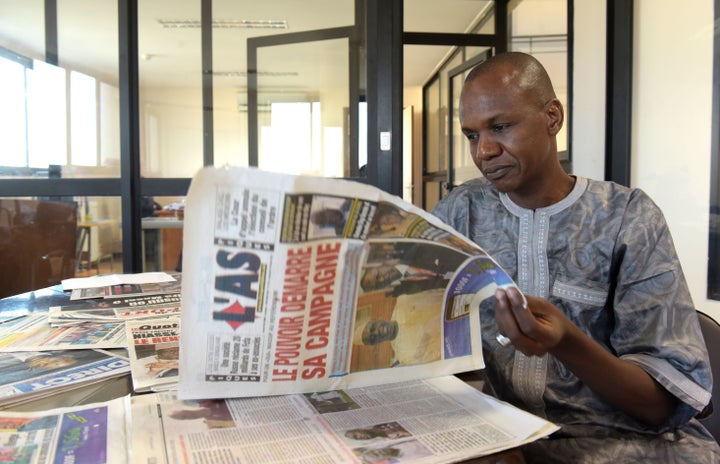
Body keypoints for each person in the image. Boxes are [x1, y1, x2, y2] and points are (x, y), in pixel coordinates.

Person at [430, 51, 720, 463]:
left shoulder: (627, 219)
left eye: (500, 126)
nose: (485, 151)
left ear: (552, 117)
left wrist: (566, 341)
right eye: (472, 135)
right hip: (506, 438)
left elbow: (662, 405)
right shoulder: (461, 213)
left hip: (623, 443)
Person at [353, 288, 443, 366]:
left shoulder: (403, 300)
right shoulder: (405, 356)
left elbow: (438, 293)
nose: (376, 332)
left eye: (372, 327)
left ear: (377, 319)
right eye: (372, 338)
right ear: (376, 343)